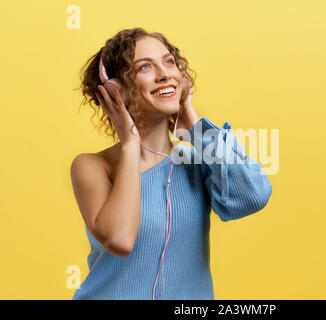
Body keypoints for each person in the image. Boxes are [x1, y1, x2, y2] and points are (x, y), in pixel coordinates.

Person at [70, 27, 272, 300]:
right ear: (115, 91)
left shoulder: (197, 162)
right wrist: (130, 145)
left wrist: (194, 124)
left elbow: (252, 196)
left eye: (169, 62)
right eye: (144, 67)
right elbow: (120, 239)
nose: (164, 74)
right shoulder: (93, 167)